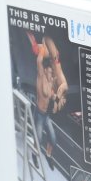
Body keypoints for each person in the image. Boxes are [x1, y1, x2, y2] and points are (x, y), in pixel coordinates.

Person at [32, 35, 68, 170]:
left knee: (53, 139)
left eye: (52, 72)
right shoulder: (41, 76)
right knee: (38, 138)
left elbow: (53, 96)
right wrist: (42, 50)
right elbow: (39, 61)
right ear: (45, 70)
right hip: (39, 113)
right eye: (50, 71)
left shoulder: (51, 84)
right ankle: (35, 155)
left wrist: (59, 100)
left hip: (46, 115)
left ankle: (48, 155)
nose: (52, 74)